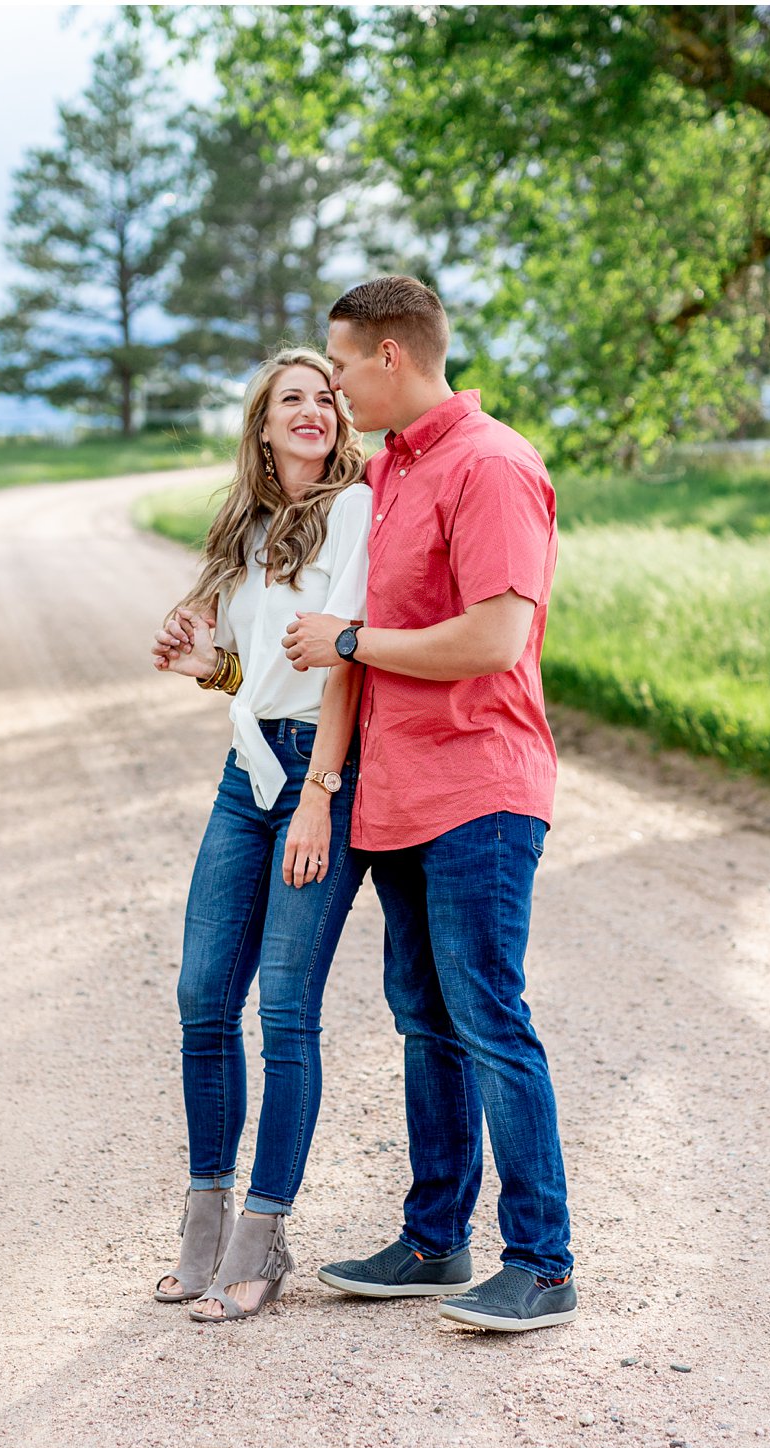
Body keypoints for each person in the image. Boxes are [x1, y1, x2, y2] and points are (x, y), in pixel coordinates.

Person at [282, 275, 578, 1332]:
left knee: (488, 1015)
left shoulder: (490, 463)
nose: (334, 382)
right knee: (426, 1019)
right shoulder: (392, 471)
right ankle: (433, 1239)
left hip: (479, 784)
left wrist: (352, 641)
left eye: (343, 362)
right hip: (400, 791)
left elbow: (496, 636)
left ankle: (542, 1265)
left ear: (391, 356)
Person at [147, 347, 373, 1323]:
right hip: (247, 775)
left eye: (326, 395)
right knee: (204, 997)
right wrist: (210, 667)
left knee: (283, 1007)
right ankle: (203, 1229)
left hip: (321, 774)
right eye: (293, 397)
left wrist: (320, 793)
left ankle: (262, 1237)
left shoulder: (358, 510)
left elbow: (345, 669)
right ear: (263, 424)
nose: (314, 408)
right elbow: (262, 683)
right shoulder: (246, 532)